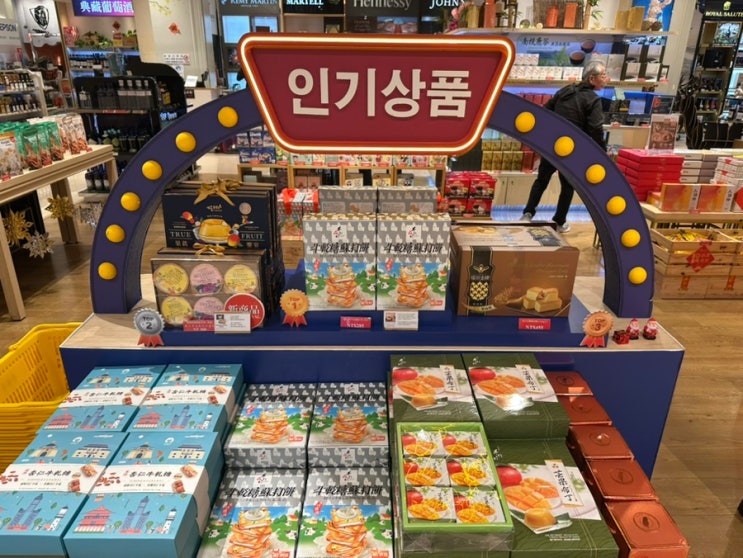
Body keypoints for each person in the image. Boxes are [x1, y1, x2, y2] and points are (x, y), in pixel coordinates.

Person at [520, 61, 608, 232]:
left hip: (553, 143)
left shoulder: (566, 90)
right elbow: (596, 128)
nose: (606, 79)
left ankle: (527, 214)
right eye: (603, 75)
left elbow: (546, 110)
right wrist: (601, 151)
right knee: (567, 186)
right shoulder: (593, 99)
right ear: (592, 79)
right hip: (573, 149)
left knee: (541, 180)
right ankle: (559, 221)